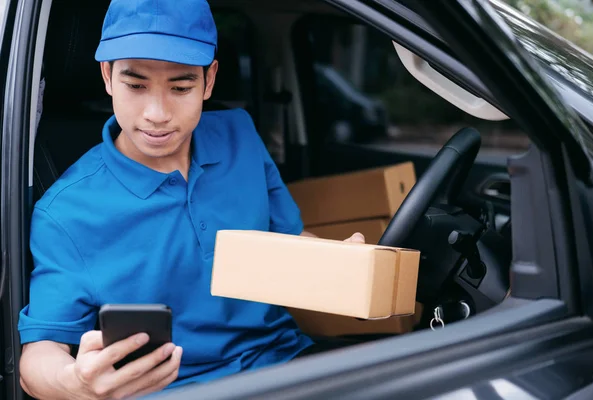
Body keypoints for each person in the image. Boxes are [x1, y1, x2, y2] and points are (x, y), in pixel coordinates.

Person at [18, 0, 365, 398]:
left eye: (181, 87)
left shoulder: (241, 137)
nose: (157, 113)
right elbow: (38, 355)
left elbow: (288, 242)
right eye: (136, 84)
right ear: (108, 76)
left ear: (209, 80)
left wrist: (344, 264)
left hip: (283, 363)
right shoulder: (65, 212)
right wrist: (74, 382)